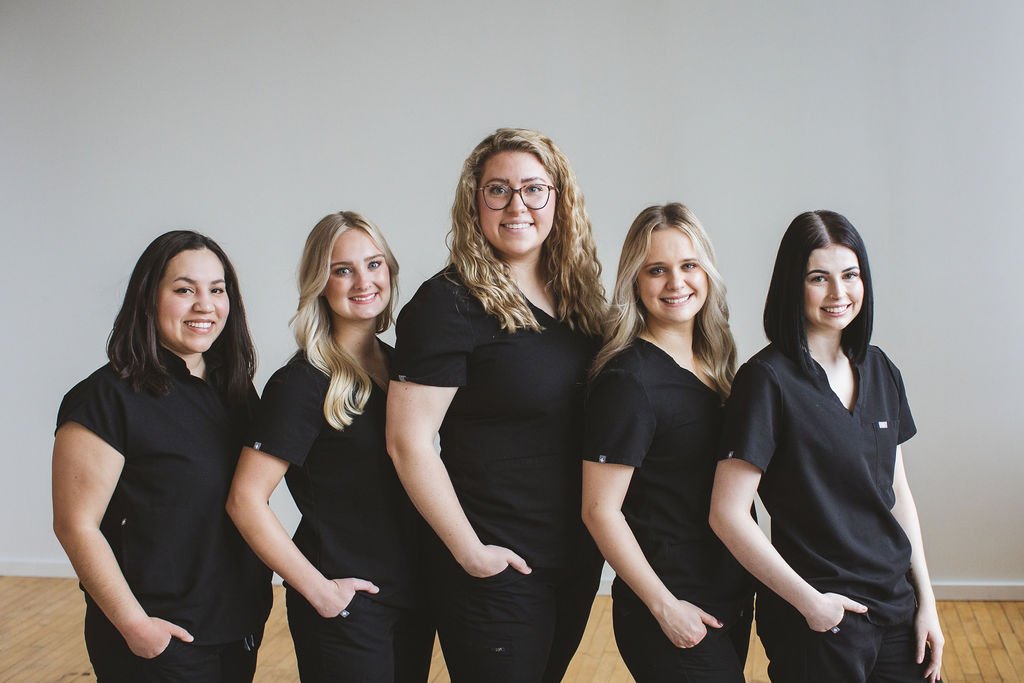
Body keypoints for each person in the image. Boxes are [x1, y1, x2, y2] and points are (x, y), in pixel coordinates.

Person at [386, 128, 606, 682]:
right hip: (495, 564)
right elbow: (407, 442)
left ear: (559, 199)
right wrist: (470, 552)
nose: (517, 206)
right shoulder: (449, 303)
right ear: (475, 202)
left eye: (534, 189)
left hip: (573, 557)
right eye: (498, 190)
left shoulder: (579, 301)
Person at [709, 210, 944, 683]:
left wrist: (928, 604)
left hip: (897, 610)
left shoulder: (881, 370)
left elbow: (897, 495)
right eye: (819, 278)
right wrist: (811, 606)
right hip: (819, 620)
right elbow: (727, 515)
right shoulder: (766, 381)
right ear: (793, 285)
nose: (839, 293)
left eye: (850, 275)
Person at [52, 231, 271, 683]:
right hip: (159, 637)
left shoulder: (232, 391)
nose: (205, 305)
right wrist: (135, 626)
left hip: (237, 625)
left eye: (217, 290)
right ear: (148, 298)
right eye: (184, 290)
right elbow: (76, 525)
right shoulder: (104, 399)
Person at [226, 212, 433, 683]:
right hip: (347, 603)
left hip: (413, 595)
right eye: (343, 270)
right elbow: (245, 500)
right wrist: (319, 591)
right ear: (320, 283)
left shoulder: (404, 370)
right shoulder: (301, 383)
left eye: (374, 264)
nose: (364, 280)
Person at [582, 203, 753, 682]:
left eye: (689, 265)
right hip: (672, 606)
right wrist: (664, 606)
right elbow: (599, 510)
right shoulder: (628, 379)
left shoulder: (716, 363)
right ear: (635, 282)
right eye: (657, 270)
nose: (676, 282)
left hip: (727, 599)